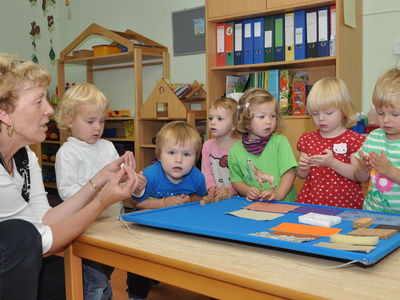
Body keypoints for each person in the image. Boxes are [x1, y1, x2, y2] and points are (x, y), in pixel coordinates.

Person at [0, 53, 138, 300]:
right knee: (20, 234)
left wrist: (97, 181)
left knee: (68, 283)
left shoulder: (25, 156)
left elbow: (44, 219)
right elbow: (39, 241)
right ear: (5, 114)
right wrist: (101, 201)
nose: (50, 110)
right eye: (39, 101)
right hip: (13, 253)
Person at [54, 82, 144, 299]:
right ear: (69, 119)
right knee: (95, 283)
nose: (97, 127)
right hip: (88, 229)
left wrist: (136, 184)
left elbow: (121, 185)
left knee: (106, 277)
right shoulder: (67, 153)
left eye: (102, 121)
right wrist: (101, 192)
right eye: (90, 121)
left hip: (112, 225)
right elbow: (67, 193)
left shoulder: (107, 147)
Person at [127, 120, 207, 300]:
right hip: (145, 229)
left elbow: (201, 197)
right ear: (159, 153)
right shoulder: (150, 175)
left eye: (187, 154)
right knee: (137, 260)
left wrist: (189, 200)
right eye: (171, 153)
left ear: (196, 157)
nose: (178, 160)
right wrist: (164, 203)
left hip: (175, 227)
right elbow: (136, 203)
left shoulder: (197, 177)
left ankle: (157, 276)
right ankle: (136, 294)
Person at [296, 77, 366, 209]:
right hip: (311, 204)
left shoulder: (354, 140)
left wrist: (333, 163)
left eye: (328, 112)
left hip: (345, 206)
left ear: (344, 110)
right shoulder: (307, 139)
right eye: (315, 114)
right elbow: (301, 174)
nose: (321, 118)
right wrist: (303, 168)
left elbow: (357, 175)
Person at [228, 88, 297, 202]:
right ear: (245, 119)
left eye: (273, 116)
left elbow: (289, 173)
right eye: (262, 116)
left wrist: (278, 195)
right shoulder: (235, 151)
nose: (269, 121)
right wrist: (247, 191)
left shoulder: (280, 142)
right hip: (255, 206)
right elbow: (236, 179)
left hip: (285, 205)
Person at [355, 69, 400, 213]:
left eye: (394, 114)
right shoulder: (373, 137)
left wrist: (390, 170)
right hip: (372, 213)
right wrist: (362, 168)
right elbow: (360, 178)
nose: (386, 120)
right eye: (381, 113)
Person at [201, 97, 240, 198]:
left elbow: (244, 177)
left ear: (234, 124)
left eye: (219, 118)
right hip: (216, 198)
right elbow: (206, 172)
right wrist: (211, 188)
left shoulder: (241, 147)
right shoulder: (207, 145)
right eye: (210, 118)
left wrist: (230, 190)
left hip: (238, 198)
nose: (213, 122)